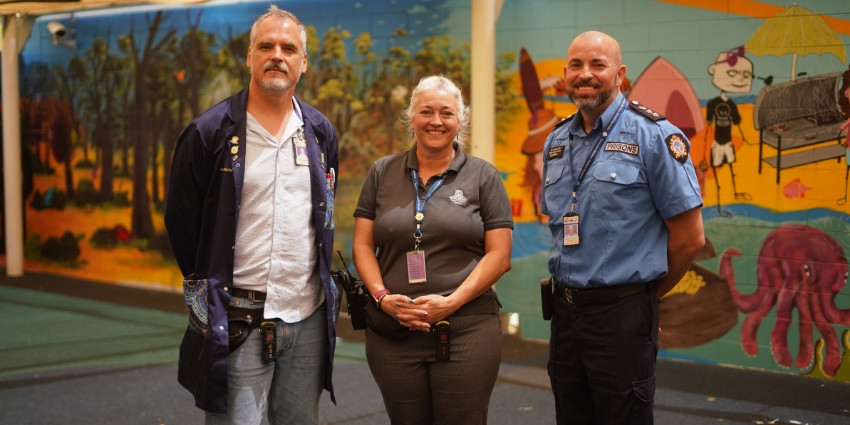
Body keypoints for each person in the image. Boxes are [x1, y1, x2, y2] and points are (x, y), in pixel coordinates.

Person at [164, 6, 340, 424]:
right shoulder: (209, 132)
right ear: (249, 57)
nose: (277, 54)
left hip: (307, 318)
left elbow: (325, 211)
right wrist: (208, 290)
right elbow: (182, 222)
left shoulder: (320, 133)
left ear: (303, 63)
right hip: (238, 317)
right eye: (266, 46)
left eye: (288, 48)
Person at [540, 31, 705, 425]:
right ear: (565, 73)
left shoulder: (655, 136)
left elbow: (690, 238)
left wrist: (646, 297)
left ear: (620, 74)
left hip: (623, 314)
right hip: (565, 314)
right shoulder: (557, 141)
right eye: (576, 65)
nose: (586, 74)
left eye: (598, 65)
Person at [352, 75, 513, 425]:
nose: (436, 121)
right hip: (394, 329)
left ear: (460, 121)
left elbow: (500, 256)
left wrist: (451, 301)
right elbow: (363, 246)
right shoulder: (382, 172)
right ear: (411, 118)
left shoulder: (484, 177)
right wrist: (381, 297)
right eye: (426, 112)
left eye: (446, 113)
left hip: (466, 330)